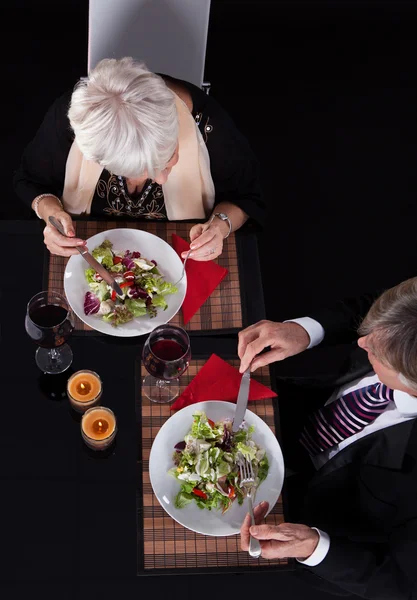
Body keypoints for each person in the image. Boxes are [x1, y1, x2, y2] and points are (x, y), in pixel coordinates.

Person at [238, 277, 417, 599]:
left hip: (323, 521)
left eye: (377, 352)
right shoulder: (389, 329)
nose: (361, 344)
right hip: (301, 413)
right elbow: (382, 312)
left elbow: (402, 584)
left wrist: (317, 548)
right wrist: (306, 331)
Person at [14, 57, 264, 259]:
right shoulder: (69, 123)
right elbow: (31, 182)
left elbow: (247, 197)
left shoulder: (211, 128)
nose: (163, 178)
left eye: (169, 158)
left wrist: (220, 225)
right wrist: (51, 215)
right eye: (144, 171)